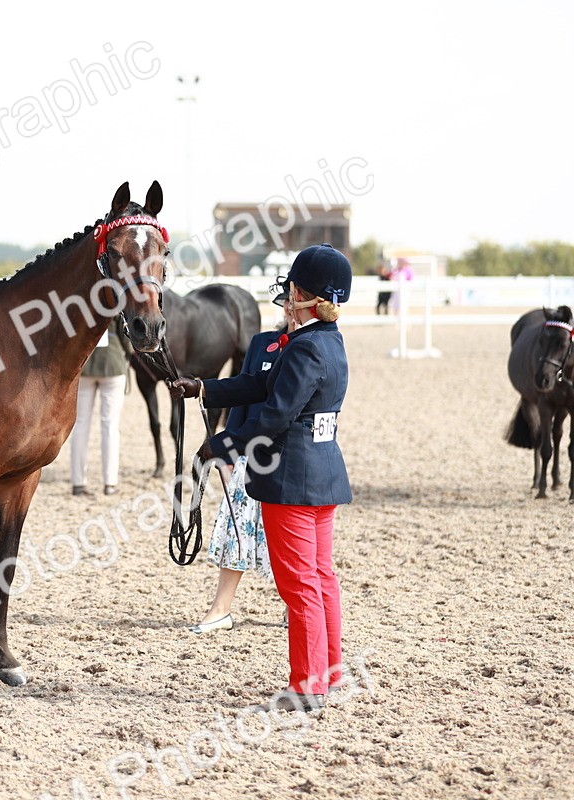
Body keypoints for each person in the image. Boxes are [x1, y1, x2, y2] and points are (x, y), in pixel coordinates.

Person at [172, 243, 352, 712]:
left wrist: (221, 445)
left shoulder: (305, 349)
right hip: (322, 475)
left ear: (303, 293)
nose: (286, 296)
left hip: (290, 480)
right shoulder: (326, 342)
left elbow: (272, 415)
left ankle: (307, 685)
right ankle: (328, 671)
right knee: (320, 577)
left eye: (292, 288)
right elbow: (261, 384)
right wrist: (205, 388)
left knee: (299, 585)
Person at [189, 290, 288, 635]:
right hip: (248, 453)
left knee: (289, 537)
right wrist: (227, 453)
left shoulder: (310, 348)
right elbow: (243, 394)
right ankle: (221, 608)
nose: (289, 306)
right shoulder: (261, 344)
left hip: (288, 457)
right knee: (236, 529)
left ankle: (296, 603)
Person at [70, 316, 132, 496]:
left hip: (84, 364)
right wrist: (127, 352)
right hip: (113, 362)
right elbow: (125, 334)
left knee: (80, 424)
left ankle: (78, 483)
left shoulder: (82, 300)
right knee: (110, 426)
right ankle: (110, 483)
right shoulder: (116, 298)